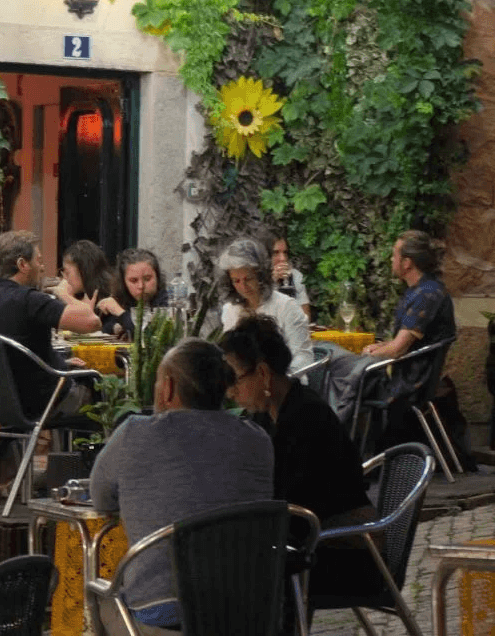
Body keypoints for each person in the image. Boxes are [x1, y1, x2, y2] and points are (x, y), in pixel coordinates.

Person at [90, 340, 274, 636]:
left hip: (162, 611)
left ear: (168, 388)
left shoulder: (134, 434)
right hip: (247, 610)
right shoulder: (258, 440)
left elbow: (101, 499)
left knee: (102, 597)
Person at [218, 316, 383, 598]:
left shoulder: (305, 416)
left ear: (262, 373)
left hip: (343, 552)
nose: (229, 391)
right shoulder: (269, 414)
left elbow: (293, 507)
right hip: (309, 542)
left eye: (234, 379)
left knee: (234, 570)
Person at [325, 231, 459, 446]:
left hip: (408, 382)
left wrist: (372, 352)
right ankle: (339, 431)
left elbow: (398, 349)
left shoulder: (427, 295)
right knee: (333, 358)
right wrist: (379, 346)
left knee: (334, 367)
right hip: (405, 373)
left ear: (407, 263)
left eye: (394, 255)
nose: (391, 260)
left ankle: (335, 434)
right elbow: (404, 342)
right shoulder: (422, 289)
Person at [0, 230, 100, 420]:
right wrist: (63, 293)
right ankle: (96, 449)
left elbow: (14, 357)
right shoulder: (30, 300)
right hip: (43, 401)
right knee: (103, 389)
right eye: (38, 260)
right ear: (22, 264)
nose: (42, 267)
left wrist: (60, 364)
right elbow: (92, 322)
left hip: (0, 403)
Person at [216, 238, 314, 374]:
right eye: (236, 281)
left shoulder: (286, 306)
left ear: (261, 276)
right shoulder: (230, 310)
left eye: (248, 279)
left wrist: (277, 379)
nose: (243, 286)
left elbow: (304, 357)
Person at [51, 239, 119, 335]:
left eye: (67, 273)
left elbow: (102, 330)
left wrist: (65, 296)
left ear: (83, 271)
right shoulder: (79, 294)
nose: (65, 279)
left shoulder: (110, 296)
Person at [99, 248, 169, 338]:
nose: (141, 286)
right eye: (133, 280)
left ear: (157, 277)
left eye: (147, 279)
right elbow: (106, 327)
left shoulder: (166, 300)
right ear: (123, 282)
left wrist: (120, 313)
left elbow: (147, 334)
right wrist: (115, 327)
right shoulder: (122, 297)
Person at [269, 236, 312, 320]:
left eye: (285, 253)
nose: (283, 259)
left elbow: (305, 317)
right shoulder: (255, 277)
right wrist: (272, 280)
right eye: (275, 253)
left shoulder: (296, 276)